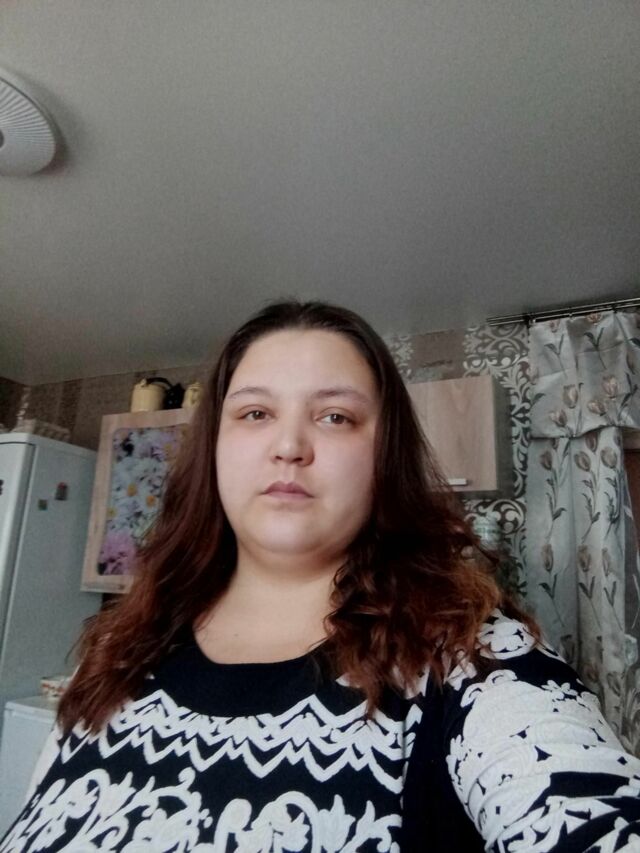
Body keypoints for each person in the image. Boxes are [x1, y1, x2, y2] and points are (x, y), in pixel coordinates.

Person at [2, 300, 640, 853]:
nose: (289, 446)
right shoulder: (114, 656)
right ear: (215, 447)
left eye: (335, 416)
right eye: (255, 413)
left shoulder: (472, 659)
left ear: (384, 457)